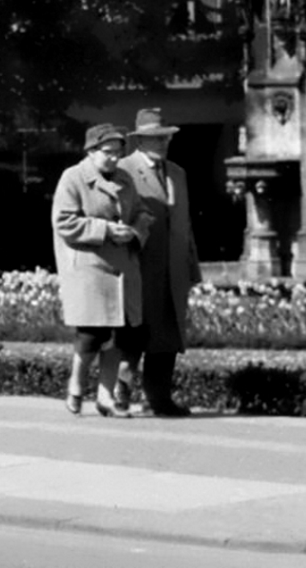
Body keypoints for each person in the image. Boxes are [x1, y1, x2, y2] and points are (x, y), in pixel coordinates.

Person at [52, 123, 149, 417]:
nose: (114, 159)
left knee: (119, 335)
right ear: (91, 151)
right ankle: (76, 387)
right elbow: (64, 222)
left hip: (122, 269)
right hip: (90, 270)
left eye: (118, 153)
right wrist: (105, 229)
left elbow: (143, 212)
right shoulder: (73, 178)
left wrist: (134, 232)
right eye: (107, 153)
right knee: (90, 336)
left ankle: (105, 397)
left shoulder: (126, 179)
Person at [119, 108, 201, 417]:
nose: (163, 142)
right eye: (156, 137)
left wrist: (192, 266)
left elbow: (185, 223)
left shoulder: (178, 173)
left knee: (168, 334)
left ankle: (159, 398)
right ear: (140, 140)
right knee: (134, 334)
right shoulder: (124, 170)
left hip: (173, 268)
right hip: (140, 266)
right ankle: (121, 392)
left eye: (166, 137)